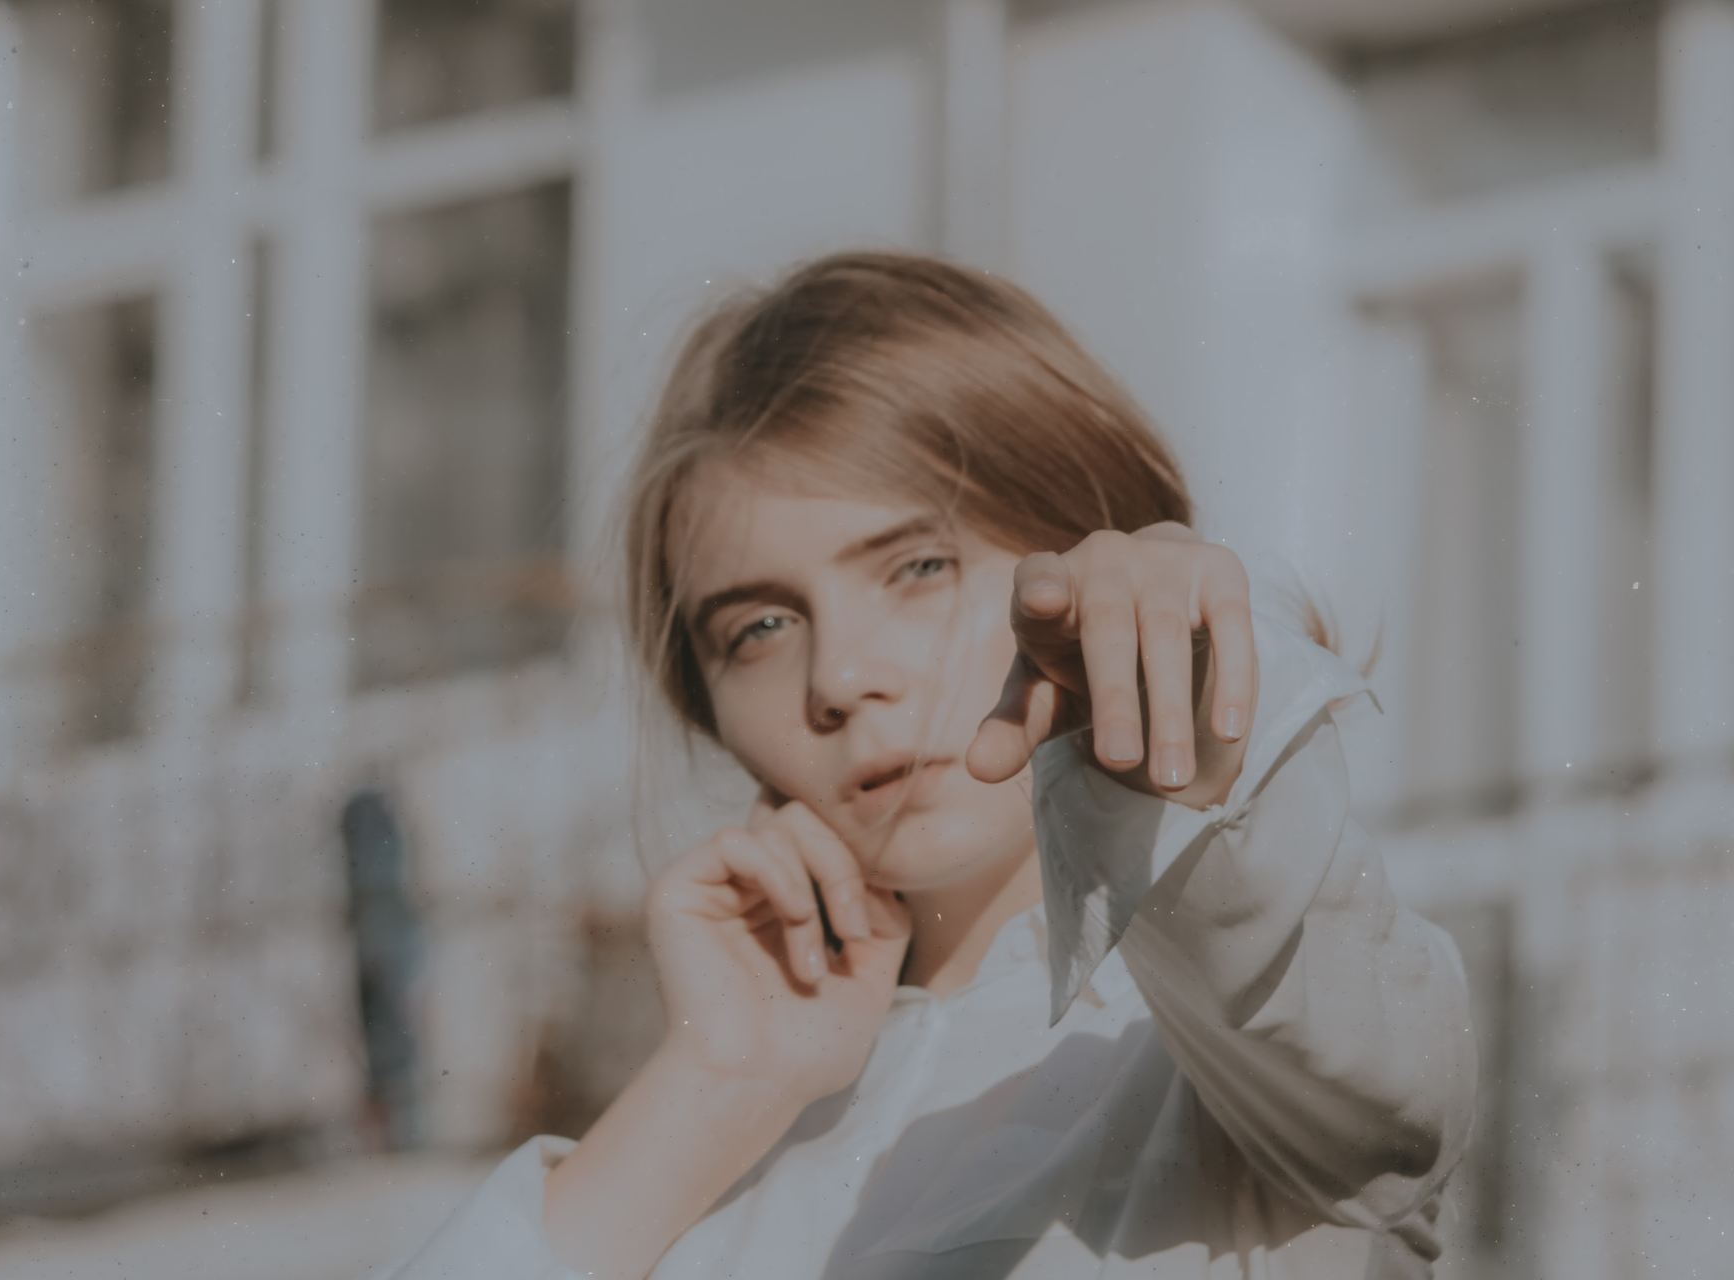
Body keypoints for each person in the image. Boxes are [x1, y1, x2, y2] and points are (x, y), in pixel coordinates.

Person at [393, 252, 1478, 1278]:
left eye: (917, 565)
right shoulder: (737, 1157)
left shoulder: (1246, 1064)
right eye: (760, 626)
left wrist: (1183, 731)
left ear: (1092, 558)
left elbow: (1317, 991)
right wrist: (719, 1079)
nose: (841, 675)